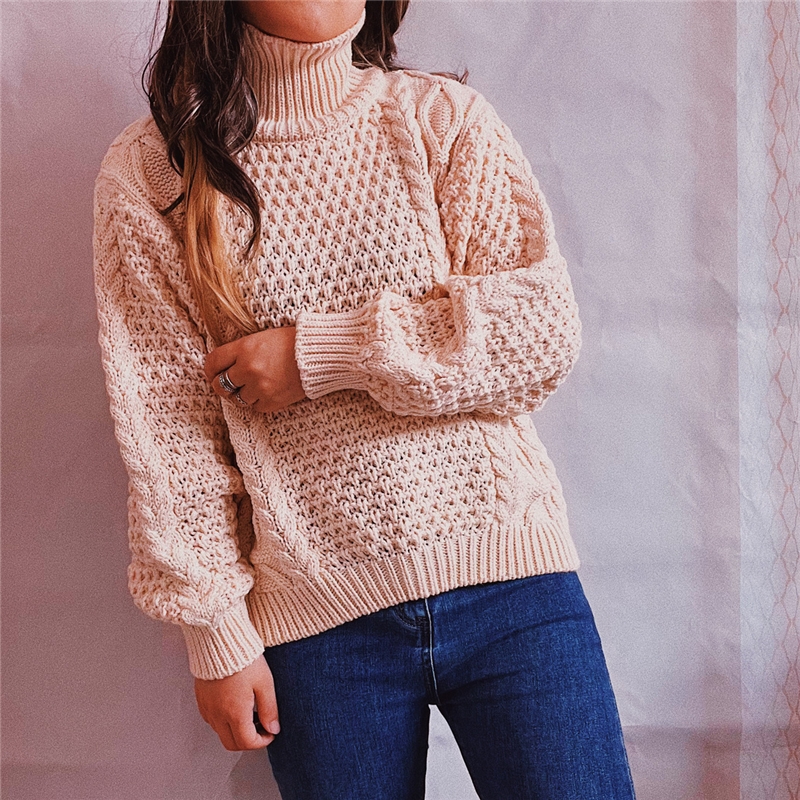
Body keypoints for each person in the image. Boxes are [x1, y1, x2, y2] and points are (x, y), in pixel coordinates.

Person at [92, 1, 637, 797]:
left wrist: (321, 356)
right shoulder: (153, 173)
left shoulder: (439, 120)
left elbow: (536, 333)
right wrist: (216, 635)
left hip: (514, 590)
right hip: (320, 631)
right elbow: (169, 429)